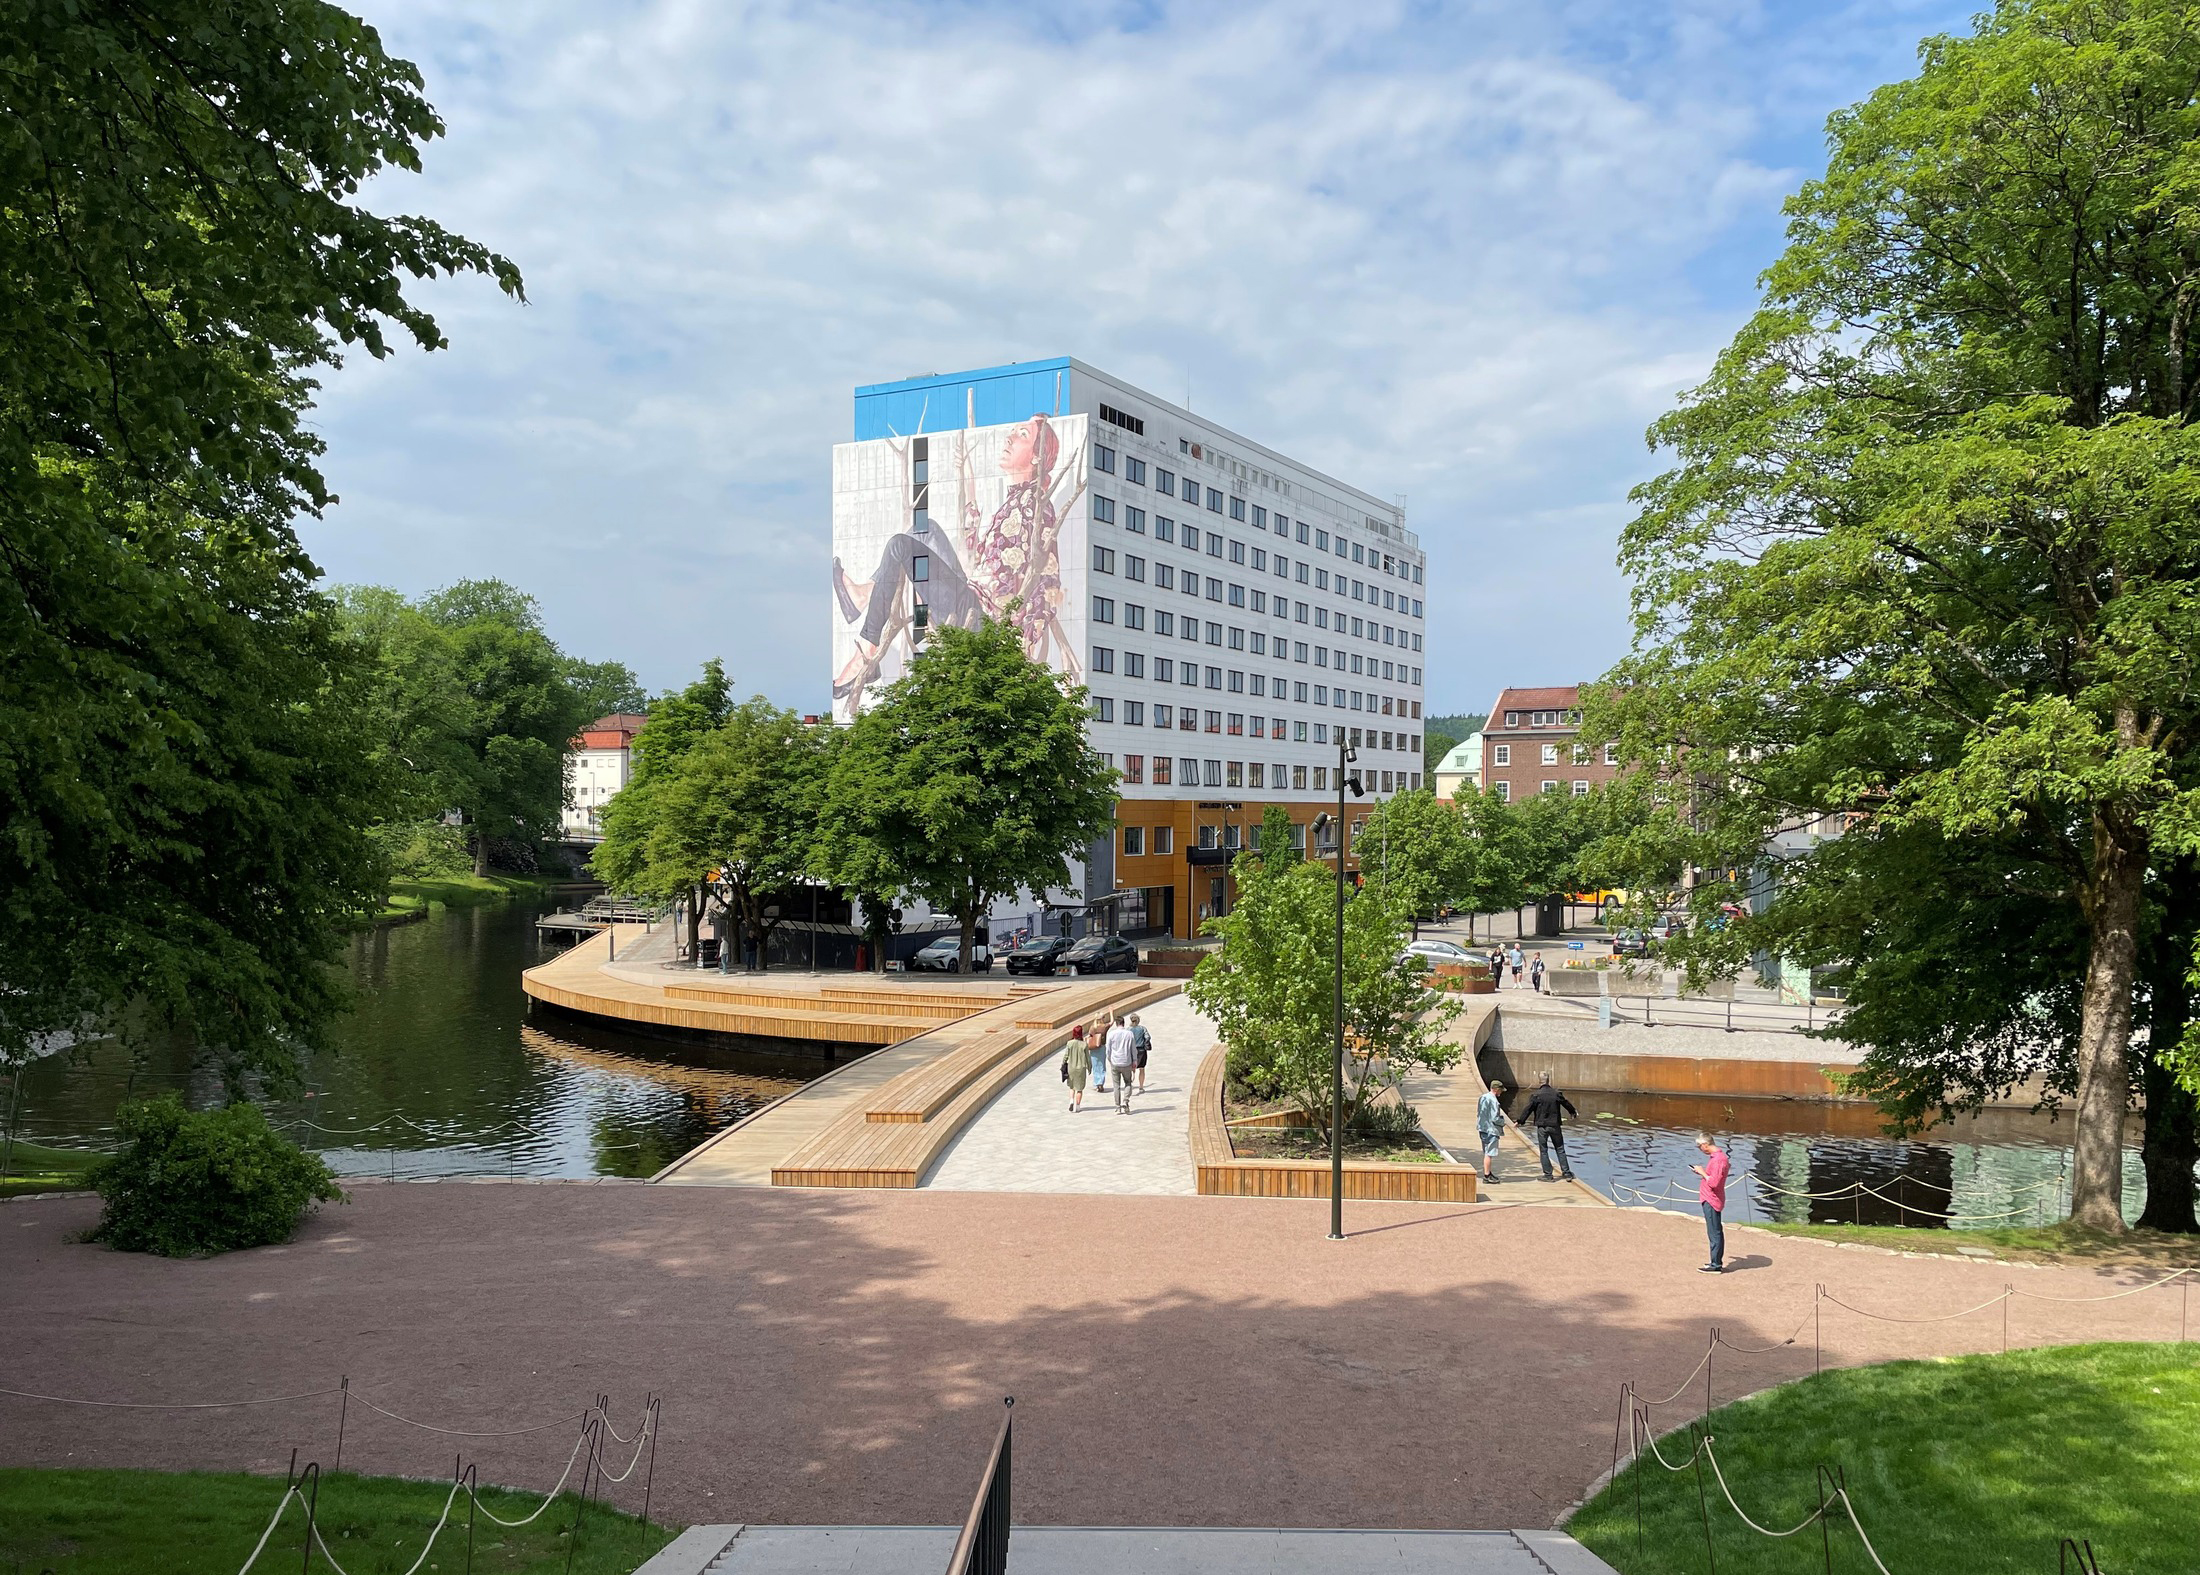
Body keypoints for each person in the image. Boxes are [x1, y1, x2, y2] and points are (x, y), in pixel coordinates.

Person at [1519, 1071, 1577, 1181]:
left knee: (1544, 1150)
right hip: (1555, 1125)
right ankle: (1567, 1173)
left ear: (1539, 1081)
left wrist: (1520, 1121)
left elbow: (1528, 1108)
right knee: (1560, 1149)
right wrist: (1572, 1112)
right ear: (1548, 1080)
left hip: (1542, 1127)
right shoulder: (1556, 1094)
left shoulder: (1536, 1095)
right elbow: (1566, 1103)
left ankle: (1548, 1175)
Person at [1691, 1134, 1730, 1273]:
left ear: (1705, 1145)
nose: (1700, 1149)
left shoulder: (1719, 1160)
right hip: (1709, 1198)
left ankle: (1716, 1265)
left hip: (1712, 1199)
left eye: (1699, 1146)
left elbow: (1714, 1183)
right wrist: (1702, 1173)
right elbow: (1713, 1177)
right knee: (1713, 1230)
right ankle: (1714, 1261)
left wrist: (1703, 1173)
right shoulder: (1716, 1159)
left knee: (1714, 1232)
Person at [1105, 1016, 1138, 1112]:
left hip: (1115, 1062)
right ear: (1123, 1023)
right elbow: (1133, 1049)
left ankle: (1117, 1107)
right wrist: (1134, 1061)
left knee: (1116, 1086)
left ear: (1116, 1023)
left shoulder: (1111, 1034)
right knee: (1128, 1082)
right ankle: (1125, 1100)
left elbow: (1108, 1050)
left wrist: (1110, 1060)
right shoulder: (1129, 1034)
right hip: (1126, 1062)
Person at [1476, 1081, 1507, 1182]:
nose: (1501, 1093)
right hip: (1491, 1130)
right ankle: (1487, 1175)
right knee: (1489, 1153)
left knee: (1486, 1151)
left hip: (1482, 1128)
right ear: (1497, 1089)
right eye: (1501, 1090)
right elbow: (1495, 1118)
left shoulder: (1483, 1097)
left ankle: (1488, 1172)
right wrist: (1502, 1122)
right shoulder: (1494, 1101)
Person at [1063, 1023, 1092, 1113]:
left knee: (1072, 1087)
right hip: (1081, 1069)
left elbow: (1066, 1056)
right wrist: (1090, 1067)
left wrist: (1063, 1064)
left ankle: (1071, 1100)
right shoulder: (1084, 1045)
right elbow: (1088, 1057)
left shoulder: (1069, 1043)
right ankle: (1078, 1106)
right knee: (1079, 1088)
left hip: (1071, 1068)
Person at [1129, 1012, 1152, 1093]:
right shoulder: (1142, 1028)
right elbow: (1147, 1037)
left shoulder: (1128, 1030)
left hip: (1131, 1051)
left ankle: (1130, 1083)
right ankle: (1141, 1087)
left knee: (1132, 1068)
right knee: (1142, 1069)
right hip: (1141, 1050)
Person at [1093, 1010, 1112, 1093]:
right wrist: (1111, 1012)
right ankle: (1101, 1082)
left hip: (1093, 1048)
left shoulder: (1092, 1027)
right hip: (1102, 1047)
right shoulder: (1104, 1026)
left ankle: (1097, 1083)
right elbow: (1112, 1022)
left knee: (1095, 1066)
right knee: (1102, 1066)